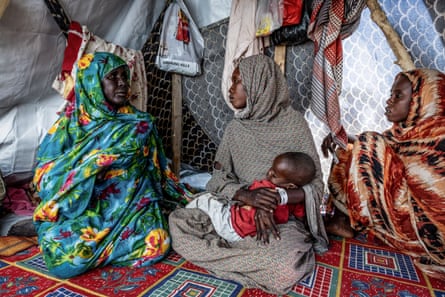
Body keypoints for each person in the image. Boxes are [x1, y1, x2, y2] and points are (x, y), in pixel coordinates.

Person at [169, 54, 328, 295]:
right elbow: (218, 179)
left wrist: (274, 200)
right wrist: (248, 197)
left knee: (284, 267)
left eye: (237, 82)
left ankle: (224, 254)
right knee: (178, 222)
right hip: (237, 211)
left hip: (280, 221)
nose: (230, 90)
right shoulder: (236, 129)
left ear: (257, 85)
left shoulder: (294, 125)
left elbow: (315, 188)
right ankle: (241, 257)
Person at [32, 52, 191, 278]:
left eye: (124, 76)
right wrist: (94, 164)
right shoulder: (68, 126)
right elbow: (44, 178)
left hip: (132, 208)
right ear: (93, 82)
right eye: (112, 77)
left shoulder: (140, 124)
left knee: (158, 244)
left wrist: (183, 198)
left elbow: (159, 171)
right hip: (87, 210)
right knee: (64, 260)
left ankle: (108, 249)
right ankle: (107, 247)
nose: (122, 83)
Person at [321, 68, 445, 278]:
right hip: (404, 215)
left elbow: (434, 198)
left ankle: (360, 220)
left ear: (421, 101)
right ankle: (343, 221)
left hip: (428, 233)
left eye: (398, 96)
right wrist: (346, 139)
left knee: (368, 143)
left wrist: (364, 145)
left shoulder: (438, 138)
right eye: (390, 94)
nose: (389, 101)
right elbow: (389, 155)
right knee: (349, 148)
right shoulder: (403, 134)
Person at [186, 151, 316, 242]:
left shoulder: (264, 186)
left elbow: (248, 199)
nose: (269, 173)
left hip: (229, 223)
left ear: (291, 186)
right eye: (271, 168)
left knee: (208, 200)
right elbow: (301, 217)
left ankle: (188, 206)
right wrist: (307, 232)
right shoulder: (295, 203)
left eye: (274, 175)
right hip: (243, 236)